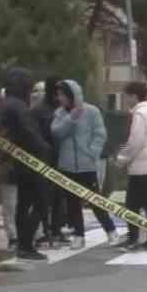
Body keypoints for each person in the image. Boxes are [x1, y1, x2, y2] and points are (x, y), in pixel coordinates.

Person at [50, 79, 116, 248]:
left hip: (87, 165)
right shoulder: (60, 113)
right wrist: (70, 119)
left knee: (95, 200)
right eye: (58, 95)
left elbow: (100, 134)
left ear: (72, 96)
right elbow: (56, 132)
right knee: (72, 202)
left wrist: (92, 153)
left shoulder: (92, 111)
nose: (59, 98)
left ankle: (111, 231)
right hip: (67, 164)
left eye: (62, 95)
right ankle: (79, 235)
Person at [0, 68, 54, 261]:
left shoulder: (7, 105)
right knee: (40, 203)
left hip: (18, 163)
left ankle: (22, 245)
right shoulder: (19, 107)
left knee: (23, 205)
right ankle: (26, 245)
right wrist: (46, 150)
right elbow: (30, 134)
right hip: (32, 163)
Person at [114, 81, 147, 252]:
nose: (125, 99)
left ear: (134, 96)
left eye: (127, 96)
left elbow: (134, 141)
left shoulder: (140, 115)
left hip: (142, 167)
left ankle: (133, 239)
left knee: (132, 206)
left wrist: (121, 159)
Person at [29, 79, 64, 247]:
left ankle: (56, 230)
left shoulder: (62, 109)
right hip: (44, 160)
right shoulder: (39, 111)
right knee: (42, 199)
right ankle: (39, 233)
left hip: (60, 159)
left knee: (59, 198)